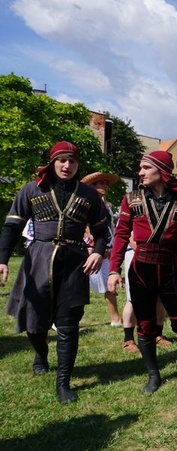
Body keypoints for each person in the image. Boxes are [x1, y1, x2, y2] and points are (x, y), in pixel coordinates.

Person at [0, 141, 109, 403]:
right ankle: (41, 353)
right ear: (53, 162)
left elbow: (101, 232)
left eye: (72, 161)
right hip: (39, 260)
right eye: (62, 160)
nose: (67, 166)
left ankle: (63, 381)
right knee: (35, 323)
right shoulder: (31, 190)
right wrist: (2, 259)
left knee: (68, 324)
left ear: (77, 164)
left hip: (74, 264)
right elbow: (12, 228)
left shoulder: (89, 195)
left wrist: (96, 251)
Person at [107, 151, 177, 395]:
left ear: (161, 172)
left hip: (171, 269)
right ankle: (153, 376)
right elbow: (121, 236)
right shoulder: (131, 200)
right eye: (140, 167)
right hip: (141, 269)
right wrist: (114, 269)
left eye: (146, 168)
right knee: (145, 325)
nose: (140, 172)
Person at [81, 171, 123, 327]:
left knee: (109, 282)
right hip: (90, 250)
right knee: (77, 284)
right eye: (101, 183)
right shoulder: (87, 203)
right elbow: (87, 227)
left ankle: (115, 318)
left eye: (106, 183)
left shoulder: (105, 205)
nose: (106, 186)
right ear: (92, 186)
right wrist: (99, 246)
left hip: (104, 248)